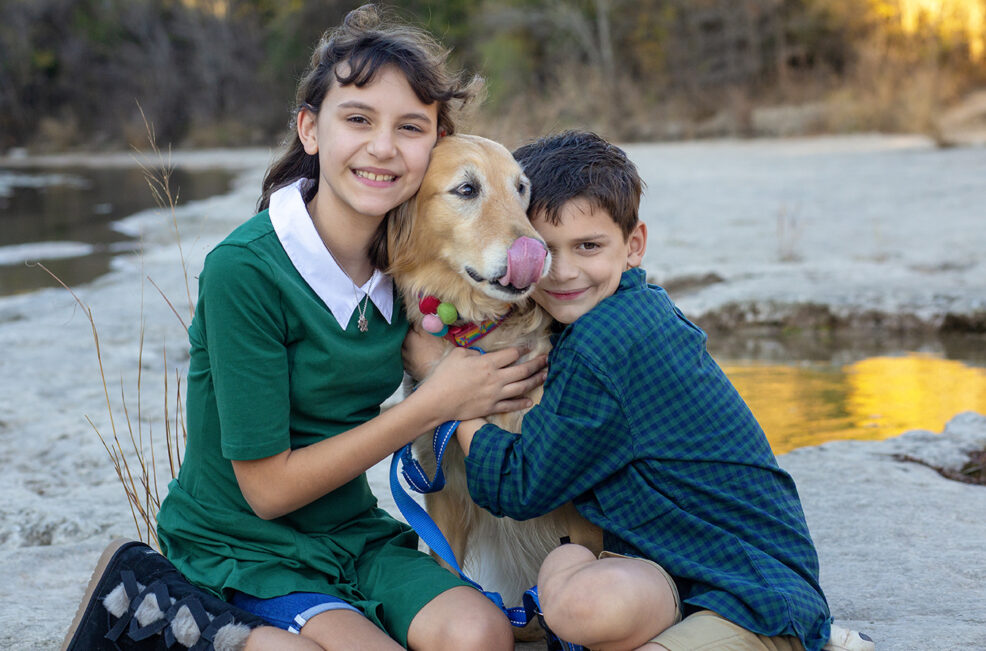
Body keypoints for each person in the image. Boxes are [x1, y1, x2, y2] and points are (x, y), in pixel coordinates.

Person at [62, 6, 546, 651]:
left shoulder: (406, 268)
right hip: (242, 539)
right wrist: (436, 402)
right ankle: (148, 600)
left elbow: (462, 316)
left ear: (434, 147)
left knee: (481, 634)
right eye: (357, 120)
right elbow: (266, 491)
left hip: (351, 532)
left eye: (410, 127)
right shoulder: (245, 271)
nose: (382, 146)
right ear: (310, 130)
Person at [451, 131, 871, 651]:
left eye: (588, 246)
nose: (563, 272)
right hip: (672, 573)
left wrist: (454, 404)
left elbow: (522, 485)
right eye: (544, 251)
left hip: (752, 595)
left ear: (633, 245)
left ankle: (812, 641)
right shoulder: (625, 309)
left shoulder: (609, 341)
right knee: (570, 581)